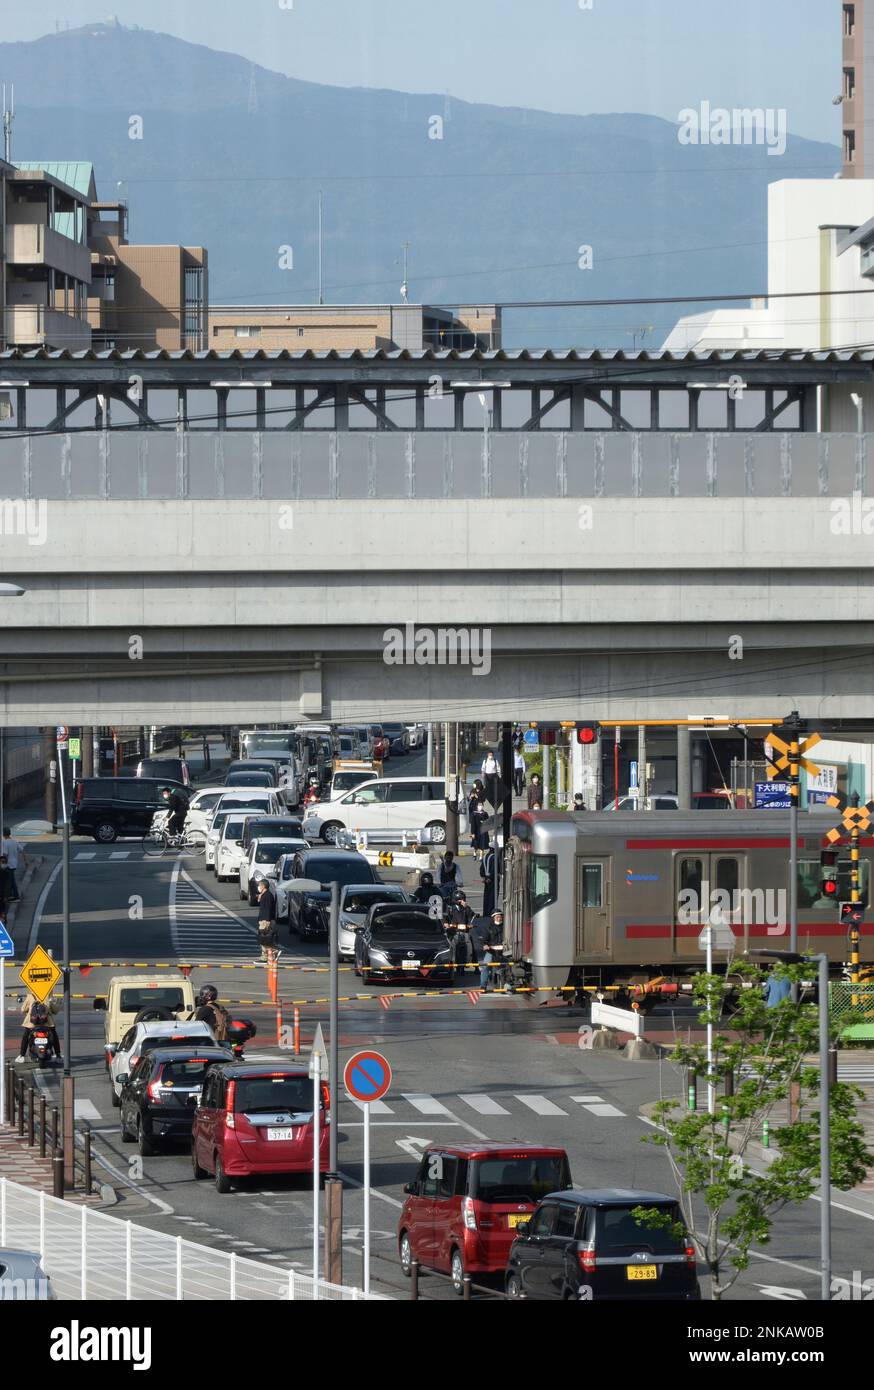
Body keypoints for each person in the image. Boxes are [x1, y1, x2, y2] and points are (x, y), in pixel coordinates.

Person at [17, 994, 61, 1062]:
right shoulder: (47, 996)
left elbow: (23, 1009)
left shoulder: (30, 996)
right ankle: (58, 1055)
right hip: (47, 1023)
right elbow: (55, 1011)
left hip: (32, 1023)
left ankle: (22, 1056)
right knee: (54, 1035)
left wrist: (29, 1013)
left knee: (26, 1036)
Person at [472, 910, 504, 992]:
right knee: (485, 966)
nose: (499, 918)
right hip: (491, 951)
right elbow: (484, 939)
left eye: (500, 916)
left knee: (507, 966)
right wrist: (485, 945)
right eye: (497, 917)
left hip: (504, 951)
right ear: (493, 918)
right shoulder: (489, 927)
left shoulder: (506, 927)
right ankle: (483, 986)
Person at [447, 893, 475, 974]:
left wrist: (467, 907)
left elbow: (471, 915)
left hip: (465, 931)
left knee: (471, 945)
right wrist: (446, 924)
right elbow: (445, 917)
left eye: (463, 899)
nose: (462, 901)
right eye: (460, 899)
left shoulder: (465, 908)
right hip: (454, 931)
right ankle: (451, 962)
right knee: (451, 945)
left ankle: (475, 965)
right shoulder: (451, 909)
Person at [255, 878, 279, 963]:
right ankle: (267, 954)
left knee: (264, 939)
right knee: (264, 939)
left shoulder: (268, 896)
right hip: (263, 919)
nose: (258, 887)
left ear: (263, 886)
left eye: (259, 885)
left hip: (265, 920)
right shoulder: (264, 895)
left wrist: (268, 920)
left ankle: (270, 953)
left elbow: (268, 908)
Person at [1, 827, 24, 899]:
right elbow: (22, 850)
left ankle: (16, 896)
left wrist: (3, 864)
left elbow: (5, 855)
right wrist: (26, 861)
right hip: (14, 863)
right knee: (10, 879)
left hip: (9, 864)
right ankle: (10, 894)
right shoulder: (14, 841)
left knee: (11, 881)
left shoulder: (4, 842)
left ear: (3, 834)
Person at [0, 855, 16, 920]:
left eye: (4, 862)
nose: (3, 864)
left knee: (3, 909)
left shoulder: (8, 872)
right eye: (1, 862)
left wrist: (6, 896)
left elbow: (9, 885)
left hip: (4, 895)